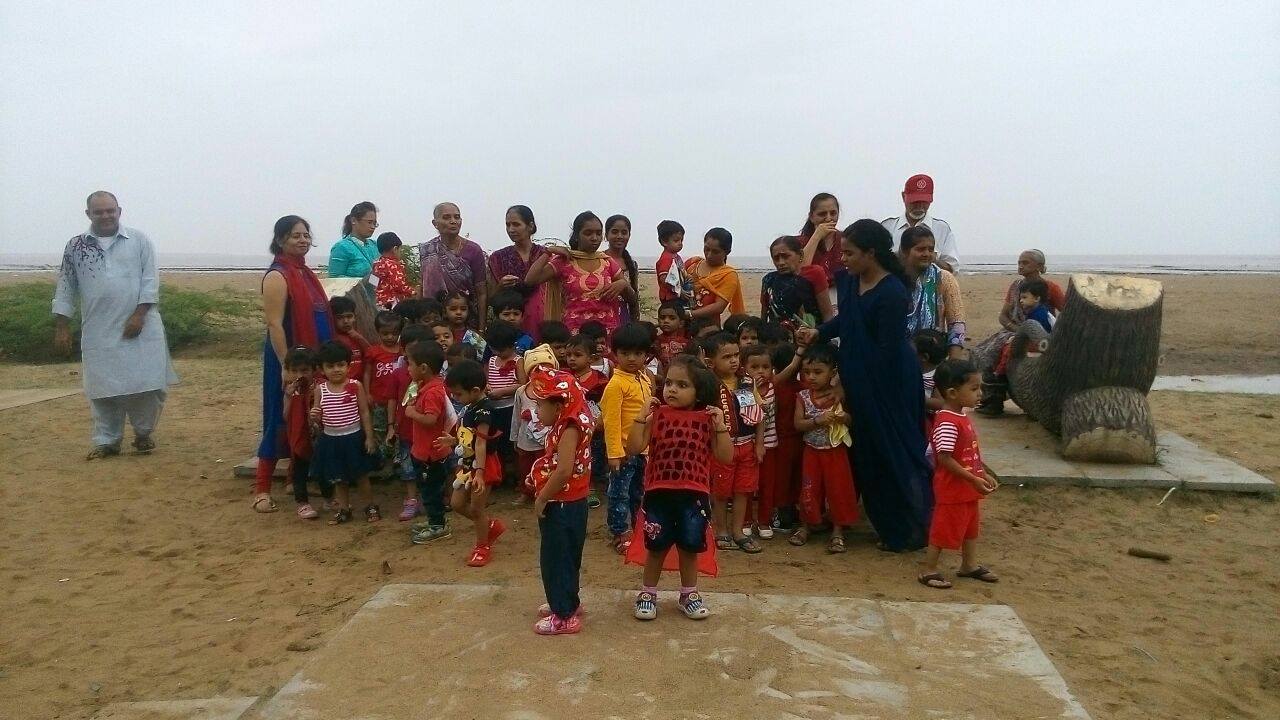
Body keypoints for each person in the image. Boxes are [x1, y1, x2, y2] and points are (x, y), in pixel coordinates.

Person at [797, 219, 933, 552]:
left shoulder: (892, 293)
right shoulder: (849, 281)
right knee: (868, 453)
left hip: (890, 383)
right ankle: (886, 523)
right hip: (859, 377)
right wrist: (819, 332)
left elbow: (887, 352)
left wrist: (848, 386)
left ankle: (911, 529)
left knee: (896, 450)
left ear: (871, 253)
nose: (842, 259)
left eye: (849, 253)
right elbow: (847, 320)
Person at [53, 191, 179, 460]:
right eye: (98, 211)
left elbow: (150, 281)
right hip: (98, 329)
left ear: (119, 211)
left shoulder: (139, 240)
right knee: (102, 389)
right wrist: (62, 327)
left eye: (110, 210)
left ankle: (143, 433)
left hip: (142, 327)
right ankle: (107, 442)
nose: (105, 216)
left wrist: (139, 315)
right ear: (88, 214)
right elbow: (65, 287)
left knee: (149, 385)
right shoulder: (76, 246)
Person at [627, 355, 732, 621]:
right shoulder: (657, 416)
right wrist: (641, 416)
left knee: (689, 547)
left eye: (682, 385)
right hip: (658, 492)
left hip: (694, 495)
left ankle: (689, 595)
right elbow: (634, 447)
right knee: (656, 547)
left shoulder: (708, 419)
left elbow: (725, 456)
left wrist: (720, 427)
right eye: (669, 383)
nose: (672, 389)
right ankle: (648, 593)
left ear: (699, 392)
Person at [253, 215, 334, 513]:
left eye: (305, 235)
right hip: (288, 362)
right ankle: (262, 489)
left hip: (311, 362)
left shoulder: (305, 273)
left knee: (307, 417)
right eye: (295, 235)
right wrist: (286, 366)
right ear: (280, 240)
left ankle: (292, 479)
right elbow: (274, 324)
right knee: (280, 416)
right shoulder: (278, 275)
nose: (302, 240)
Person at [918, 359, 999, 589]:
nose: (979, 393)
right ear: (953, 393)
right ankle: (928, 569)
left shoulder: (960, 417)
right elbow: (944, 458)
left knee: (971, 528)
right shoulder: (947, 422)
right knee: (943, 529)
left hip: (967, 487)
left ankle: (969, 565)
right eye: (974, 389)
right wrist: (973, 477)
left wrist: (981, 473)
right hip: (953, 488)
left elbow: (969, 452)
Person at [527, 369, 595, 635]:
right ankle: (568, 602)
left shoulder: (569, 428)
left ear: (558, 406)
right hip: (574, 502)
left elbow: (564, 470)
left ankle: (563, 616)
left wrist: (543, 497)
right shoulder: (573, 420)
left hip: (562, 502)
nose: (537, 410)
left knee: (555, 559)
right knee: (567, 556)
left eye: (540, 404)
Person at [972, 250, 1065, 415]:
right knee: (983, 351)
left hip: (1039, 334)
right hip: (1015, 330)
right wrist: (1019, 330)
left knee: (1007, 350)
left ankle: (998, 391)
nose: (1020, 266)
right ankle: (992, 398)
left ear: (1039, 266)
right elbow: (1003, 316)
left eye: (1025, 263)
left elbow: (1066, 313)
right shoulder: (1016, 287)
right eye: (1019, 262)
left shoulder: (1050, 288)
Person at [789, 344, 858, 553]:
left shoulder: (839, 395)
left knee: (837, 490)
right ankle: (806, 525)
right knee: (809, 489)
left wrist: (843, 417)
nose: (811, 377)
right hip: (812, 451)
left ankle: (837, 531)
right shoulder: (803, 396)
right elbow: (797, 424)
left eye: (818, 372)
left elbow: (851, 420)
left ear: (833, 372)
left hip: (836, 451)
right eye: (807, 372)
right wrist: (818, 421)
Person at [524, 211, 633, 336]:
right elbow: (530, 280)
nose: (594, 238)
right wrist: (548, 252)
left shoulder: (607, 262)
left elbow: (631, 298)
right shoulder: (565, 260)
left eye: (598, 233)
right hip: (574, 334)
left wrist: (623, 284)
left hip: (605, 334)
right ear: (577, 235)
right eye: (588, 233)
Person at [444, 359, 508, 567]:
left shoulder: (484, 411)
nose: (455, 398)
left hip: (483, 464)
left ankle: (482, 546)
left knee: (477, 508)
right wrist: (454, 441)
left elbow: (481, 442)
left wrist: (479, 472)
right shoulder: (470, 406)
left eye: (458, 394)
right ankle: (489, 526)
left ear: (474, 390)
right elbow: (469, 437)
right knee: (456, 503)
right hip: (467, 463)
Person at [705, 333, 765, 553]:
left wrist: (759, 443)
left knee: (743, 490)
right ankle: (721, 530)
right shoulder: (708, 385)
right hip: (721, 446)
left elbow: (759, 414)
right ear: (711, 361)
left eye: (736, 355)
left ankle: (738, 532)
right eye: (726, 357)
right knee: (721, 491)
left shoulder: (747, 381)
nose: (733, 360)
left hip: (748, 444)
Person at [309, 341, 379, 524]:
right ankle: (344, 509)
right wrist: (314, 416)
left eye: (340, 365)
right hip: (331, 440)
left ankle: (370, 506)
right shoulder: (320, 390)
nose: (336, 370)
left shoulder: (356, 386)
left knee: (361, 476)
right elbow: (318, 419)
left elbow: (364, 412)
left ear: (348, 366)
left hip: (354, 438)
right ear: (322, 369)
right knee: (338, 478)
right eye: (330, 366)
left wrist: (369, 437)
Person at [600, 324, 655, 552]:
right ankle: (620, 532)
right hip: (623, 451)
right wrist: (614, 454)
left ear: (646, 354)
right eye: (625, 353)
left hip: (642, 449)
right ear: (615, 354)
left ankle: (637, 527)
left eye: (638, 353)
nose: (632, 358)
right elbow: (611, 422)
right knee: (619, 494)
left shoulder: (644, 379)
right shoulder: (616, 385)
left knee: (638, 492)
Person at [405, 340, 455, 545]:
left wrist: (411, 412)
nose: (408, 368)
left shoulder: (432, 391)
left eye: (410, 364)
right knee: (429, 490)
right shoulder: (428, 387)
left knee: (431, 491)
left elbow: (431, 419)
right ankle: (436, 521)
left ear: (423, 368)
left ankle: (438, 525)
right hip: (426, 451)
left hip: (430, 454)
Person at [388, 324, 435, 521]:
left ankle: (434, 498)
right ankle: (411, 500)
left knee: (431, 465)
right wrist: (391, 426)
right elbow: (392, 400)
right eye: (412, 348)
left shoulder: (434, 377)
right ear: (403, 349)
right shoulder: (399, 374)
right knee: (408, 467)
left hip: (428, 430)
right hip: (406, 429)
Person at [281, 346, 333, 519]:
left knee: (324, 468)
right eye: (294, 371)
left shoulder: (321, 386)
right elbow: (286, 416)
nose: (299, 375)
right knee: (299, 470)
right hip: (299, 435)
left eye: (304, 370)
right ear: (288, 371)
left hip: (320, 435)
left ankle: (329, 499)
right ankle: (302, 503)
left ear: (314, 369)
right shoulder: (290, 390)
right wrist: (288, 397)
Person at [900, 226, 966, 358]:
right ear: (905, 251)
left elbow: (956, 323)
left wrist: (954, 362)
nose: (927, 254)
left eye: (931, 249)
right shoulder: (893, 279)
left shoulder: (945, 279)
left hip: (933, 356)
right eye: (920, 249)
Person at [420, 202, 487, 332]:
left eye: (457, 217)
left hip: (467, 321)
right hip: (435, 322)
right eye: (446, 217)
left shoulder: (473, 250)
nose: (453, 221)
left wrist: (481, 328)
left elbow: (482, 292)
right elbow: (423, 286)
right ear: (435, 223)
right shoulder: (428, 250)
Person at [487, 205, 546, 337]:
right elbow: (491, 298)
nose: (511, 229)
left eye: (516, 224)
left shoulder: (544, 254)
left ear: (530, 226)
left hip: (541, 316)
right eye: (508, 225)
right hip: (510, 319)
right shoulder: (498, 257)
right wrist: (501, 286)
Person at [883, 175, 959, 272]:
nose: (919, 206)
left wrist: (932, 259)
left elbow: (952, 269)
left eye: (924, 202)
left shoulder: (942, 229)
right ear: (903, 196)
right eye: (915, 201)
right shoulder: (887, 227)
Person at [762, 235, 834, 329]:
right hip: (777, 335)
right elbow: (764, 315)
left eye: (786, 256)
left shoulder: (814, 273)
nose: (781, 262)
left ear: (800, 254)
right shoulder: (769, 280)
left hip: (809, 333)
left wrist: (825, 332)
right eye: (776, 258)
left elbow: (827, 313)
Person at [364, 311, 404, 473]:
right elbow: (367, 373)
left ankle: (397, 459)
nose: (389, 337)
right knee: (380, 430)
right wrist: (367, 393)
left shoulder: (403, 351)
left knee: (397, 430)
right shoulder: (373, 352)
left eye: (394, 333)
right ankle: (383, 460)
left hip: (398, 400)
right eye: (385, 333)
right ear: (378, 332)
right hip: (379, 400)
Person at [483, 321, 522, 475]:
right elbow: (487, 380)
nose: (499, 353)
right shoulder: (492, 360)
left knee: (509, 442)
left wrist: (502, 391)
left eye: (502, 350)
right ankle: (498, 472)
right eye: (495, 349)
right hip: (493, 408)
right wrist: (487, 387)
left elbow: (523, 385)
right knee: (495, 441)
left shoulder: (518, 361)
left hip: (510, 409)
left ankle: (513, 473)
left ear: (512, 345)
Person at [685, 227, 746, 327]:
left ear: (727, 252)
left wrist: (689, 314)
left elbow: (719, 307)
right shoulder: (692, 264)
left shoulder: (728, 275)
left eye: (715, 252)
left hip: (708, 327)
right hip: (680, 324)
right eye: (706, 249)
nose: (709, 255)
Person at [798, 192, 844, 289]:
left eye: (833, 213)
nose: (828, 218)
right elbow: (799, 270)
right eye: (822, 214)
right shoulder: (798, 242)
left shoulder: (846, 239)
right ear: (811, 217)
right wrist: (817, 236)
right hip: (811, 292)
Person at [605, 214, 642, 323]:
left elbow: (634, 298)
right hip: (602, 313)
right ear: (606, 235)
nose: (619, 236)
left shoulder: (632, 265)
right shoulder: (599, 260)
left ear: (629, 235)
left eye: (624, 232)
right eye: (614, 232)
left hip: (624, 317)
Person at [328, 201, 380, 278]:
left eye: (374, 223)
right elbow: (334, 278)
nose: (373, 227)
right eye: (369, 222)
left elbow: (376, 278)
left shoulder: (376, 246)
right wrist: (362, 282)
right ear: (354, 221)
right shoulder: (341, 248)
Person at [654, 220, 693, 313]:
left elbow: (680, 271)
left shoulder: (676, 256)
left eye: (681, 240)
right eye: (676, 240)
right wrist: (679, 291)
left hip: (678, 295)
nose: (680, 243)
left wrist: (687, 277)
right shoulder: (666, 259)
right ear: (664, 242)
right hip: (670, 297)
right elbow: (664, 279)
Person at [329, 296, 369, 382]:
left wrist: (360, 338)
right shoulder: (332, 339)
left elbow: (370, 355)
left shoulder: (359, 336)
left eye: (349, 316)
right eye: (340, 318)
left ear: (354, 317)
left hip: (360, 384)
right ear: (332, 319)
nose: (346, 321)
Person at [371, 232, 416, 308]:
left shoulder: (376, 264)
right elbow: (399, 285)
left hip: (379, 302)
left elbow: (373, 283)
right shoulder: (393, 265)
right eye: (400, 249)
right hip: (392, 302)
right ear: (395, 249)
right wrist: (412, 292)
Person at [440, 290, 486, 357]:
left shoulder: (473, 336)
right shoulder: (440, 333)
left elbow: (483, 358)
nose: (458, 312)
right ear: (444, 312)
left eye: (463, 309)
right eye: (453, 309)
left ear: (468, 311)